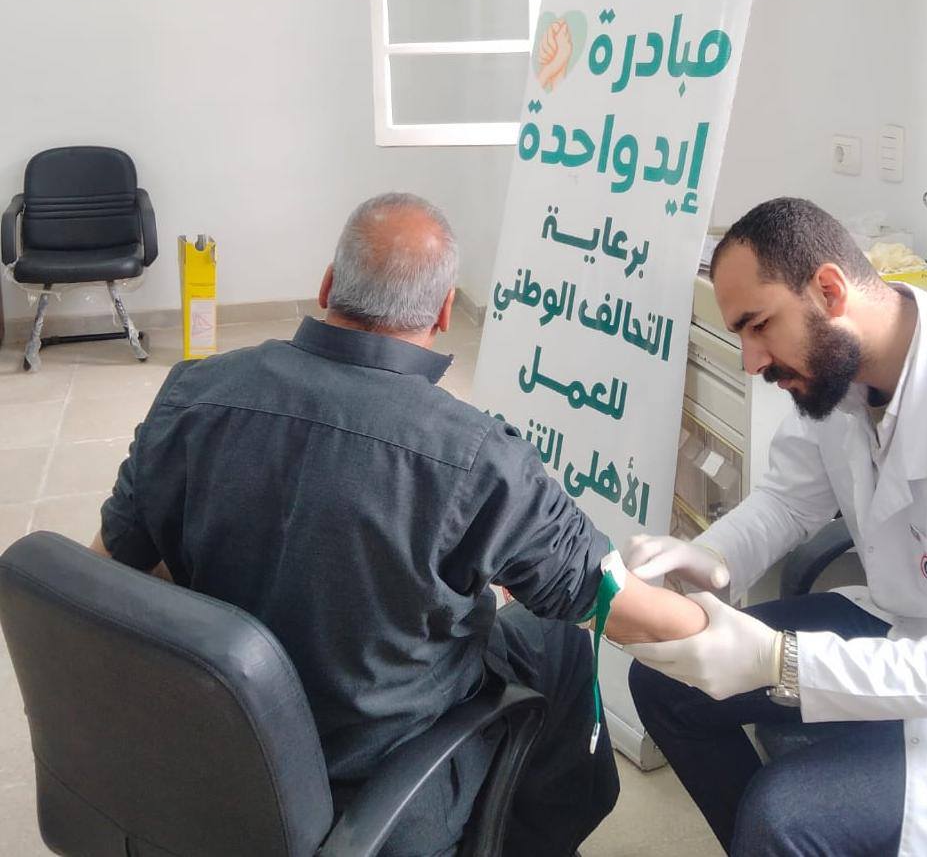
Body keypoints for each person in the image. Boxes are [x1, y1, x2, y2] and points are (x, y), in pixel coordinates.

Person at [91, 192, 706, 857]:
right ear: (444, 312)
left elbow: (104, 570)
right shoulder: (478, 457)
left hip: (217, 757)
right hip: (374, 794)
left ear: (327, 285)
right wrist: (748, 642)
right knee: (557, 641)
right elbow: (615, 604)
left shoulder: (190, 392)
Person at [623, 196, 927, 857]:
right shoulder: (838, 376)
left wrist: (781, 660)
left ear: (828, 289)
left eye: (759, 325)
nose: (750, 360)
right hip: (910, 616)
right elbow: (789, 500)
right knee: (664, 683)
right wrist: (711, 554)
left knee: (783, 814)